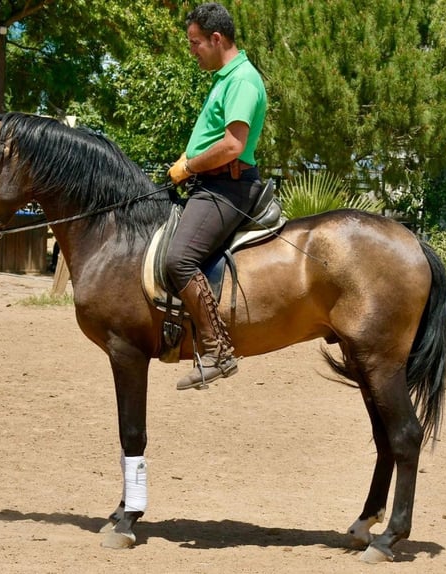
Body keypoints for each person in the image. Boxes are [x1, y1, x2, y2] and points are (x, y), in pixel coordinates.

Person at [166, 2, 267, 391]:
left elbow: (232, 145)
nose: (192, 51)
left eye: (195, 43)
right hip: (211, 182)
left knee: (179, 259)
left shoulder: (241, 80)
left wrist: (189, 167)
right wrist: (187, 160)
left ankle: (216, 350)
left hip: (227, 187)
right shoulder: (226, 78)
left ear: (216, 38)